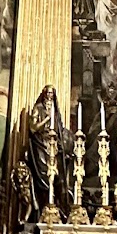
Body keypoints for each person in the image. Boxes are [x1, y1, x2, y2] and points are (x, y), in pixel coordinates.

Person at [24, 85, 74, 221]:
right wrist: (47, 119)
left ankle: (57, 207)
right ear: (44, 94)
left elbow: (60, 128)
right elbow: (33, 128)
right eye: (48, 93)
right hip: (40, 145)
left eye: (52, 93)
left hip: (53, 146)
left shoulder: (56, 112)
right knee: (43, 176)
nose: (50, 95)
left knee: (58, 177)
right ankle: (42, 209)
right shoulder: (38, 109)